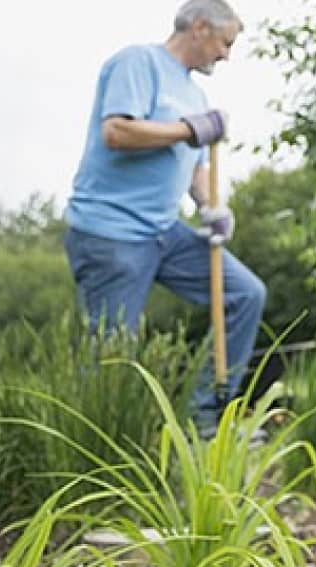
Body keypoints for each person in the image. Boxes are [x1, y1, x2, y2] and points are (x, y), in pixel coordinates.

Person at [62, 0, 266, 437]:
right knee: (110, 354)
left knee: (246, 294)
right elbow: (117, 131)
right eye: (225, 43)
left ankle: (204, 418)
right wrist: (190, 129)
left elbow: (192, 165)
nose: (227, 55)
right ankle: (100, 454)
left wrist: (213, 207)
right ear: (198, 27)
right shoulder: (138, 62)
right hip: (111, 231)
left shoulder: (194, 94)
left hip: (163, 230)